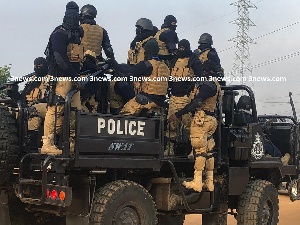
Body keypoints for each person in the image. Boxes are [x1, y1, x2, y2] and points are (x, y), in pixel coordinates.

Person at [168, 60, 221, 192]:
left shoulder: (207, 85)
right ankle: (209, 181)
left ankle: (197, 181)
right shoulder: (215, 84)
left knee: (199, 151)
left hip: (201, 120)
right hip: (211, 120)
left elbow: (197, 102)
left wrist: (179, 113)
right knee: (209, 152)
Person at [41, 1, 82, 155]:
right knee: (55, 109)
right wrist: (73, 75)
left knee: (75, 111)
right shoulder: (60, 33)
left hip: (73, 78)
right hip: (60, 79)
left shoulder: (76, 35)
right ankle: (47, 143)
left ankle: (72, 144)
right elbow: (59, 58)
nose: (75, 18)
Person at [111, 40, 170, 116]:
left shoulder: (147, 64)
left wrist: (114, 63)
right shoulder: (165, 66)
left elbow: (129, 73)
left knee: (124, 114)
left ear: (147, 51)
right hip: (160, 101)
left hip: (146, 98)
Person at [166, 39, 203, 156]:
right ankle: (170, 149)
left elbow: (200, 78)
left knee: (189, 125)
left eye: (183, 48)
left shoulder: (194, 60)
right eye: (180, 47)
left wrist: (193, 93)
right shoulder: (174, 60)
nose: (181, 50)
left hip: (186, 98)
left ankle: (194, 151)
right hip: (173, 97)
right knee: (171, 125)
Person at [22, 57, 49, 147]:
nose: (37, 67)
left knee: (34, 118)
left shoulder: (48, 79)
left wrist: (37, 102)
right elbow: (23, 96)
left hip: (42, 107)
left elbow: (49, 97)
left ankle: (31, 146)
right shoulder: (32, 80)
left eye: (40, 65)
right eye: (35, 65)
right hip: (27, 107)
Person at [128, 18, 157, 94]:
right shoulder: (138, 44)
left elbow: (150, 65)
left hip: (147, 83)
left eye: (138, 28)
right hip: (136, 80)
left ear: (144, 29)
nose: (137, 30)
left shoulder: (151, 43)